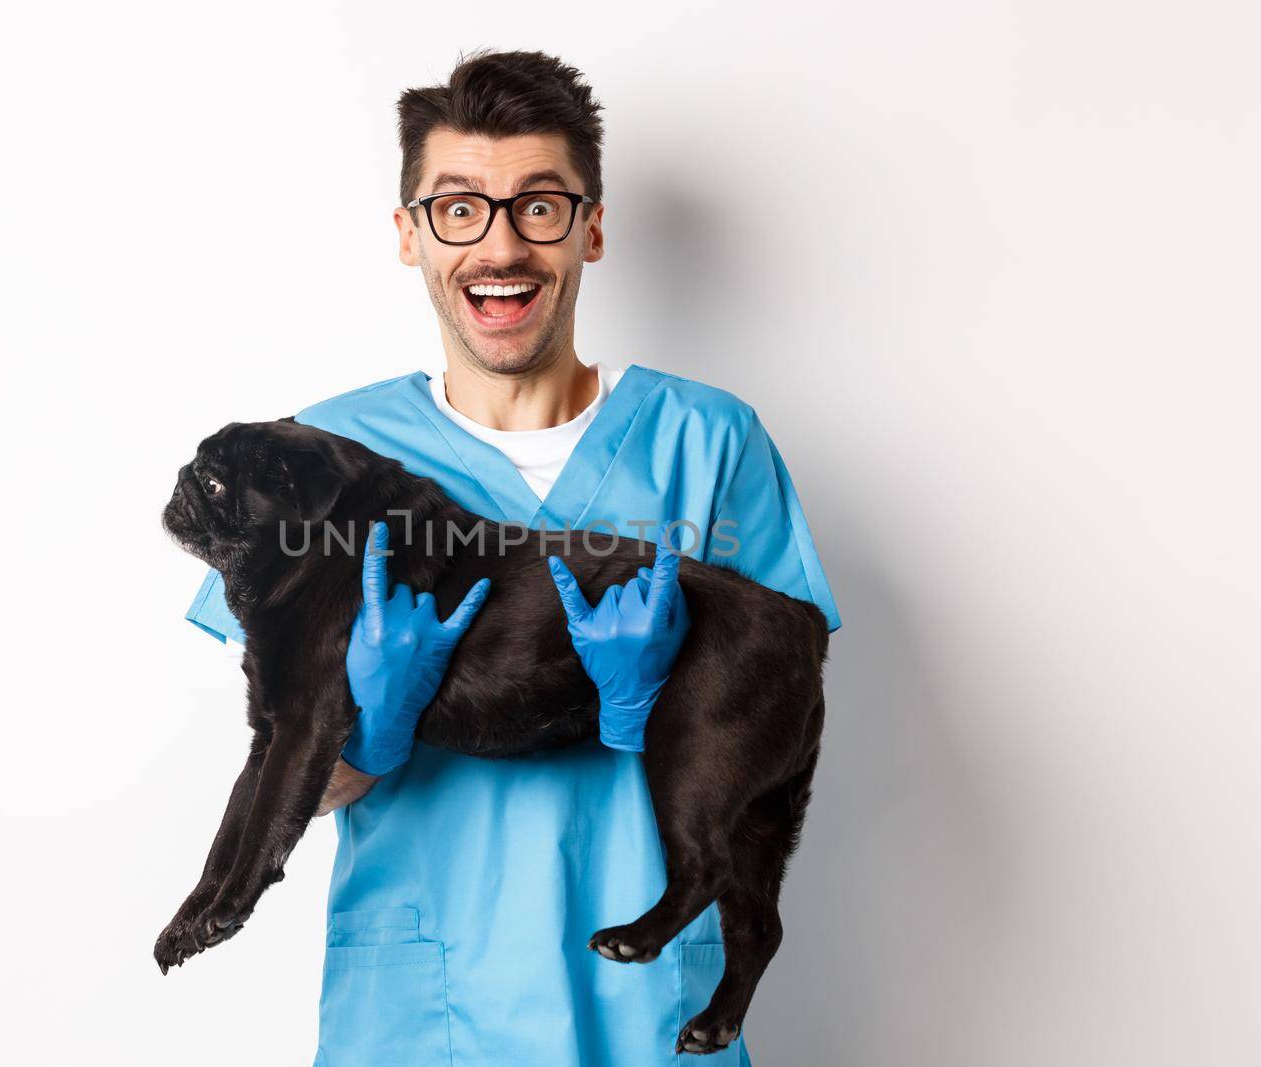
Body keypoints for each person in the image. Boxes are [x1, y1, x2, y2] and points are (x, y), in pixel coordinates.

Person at [180, 48, 841, 1067]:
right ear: (409, 235)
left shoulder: (709, 440)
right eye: (458, 209)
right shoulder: (315, 457)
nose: (499, 244)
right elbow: (285, 761)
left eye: (538, 206)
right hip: (424, 1010)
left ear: (591, 226)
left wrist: (646, 707)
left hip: (645, 1008)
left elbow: (776, 705)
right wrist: (373, 729)